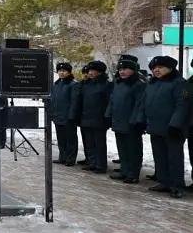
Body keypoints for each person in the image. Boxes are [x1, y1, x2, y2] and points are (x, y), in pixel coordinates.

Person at [135, 56, 188, 198]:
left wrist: (175, 124)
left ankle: (177, 185)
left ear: (170, 68)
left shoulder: (179, 83)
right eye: (154, 68)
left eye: (160, 67)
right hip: (155, 126)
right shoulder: (152, 84)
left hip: (172, 128)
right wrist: (140, 120)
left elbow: (181, 105)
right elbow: (144, 103)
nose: (156, 70)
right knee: (159, 156)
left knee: (174, 158)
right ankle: (164, 182)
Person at [105, 55, 145, 183]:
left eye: (126, 69)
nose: (122, 71)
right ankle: (125, 170)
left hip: (131, 123)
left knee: (133, 149)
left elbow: (140, 104)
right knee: (122, 149)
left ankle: (133, 174)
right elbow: (113, 100)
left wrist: (136, 121)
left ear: (133, 70)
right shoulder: (118, 83)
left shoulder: (138, 85)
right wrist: (108, 114)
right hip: (118, 120)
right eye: (120, 69)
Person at [75, 60, 112, 174]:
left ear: (100, 72)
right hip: (86, 117)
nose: (90, 73)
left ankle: (100, 165)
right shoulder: (87, 84)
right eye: (89, 70)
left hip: (99, 118)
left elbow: (109, 102)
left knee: (99, 143)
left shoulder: (106, 85)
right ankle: (92, 162)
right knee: (89, 143)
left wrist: (107, 117)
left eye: (93, 70)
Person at [51, 62, 79, 166]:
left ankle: (70, 158)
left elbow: (74, 101)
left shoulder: (73, 84)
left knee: (70, 139)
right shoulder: (57, 84)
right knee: (61, 138)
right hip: (58, 116)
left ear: (69, 72)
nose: (61, 73)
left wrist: (71, 115)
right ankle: (62, 156)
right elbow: (54, 100)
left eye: (64, 71)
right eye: (59, 71)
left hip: (68, 117)